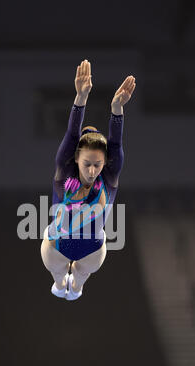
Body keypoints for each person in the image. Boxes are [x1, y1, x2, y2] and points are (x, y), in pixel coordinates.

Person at [41, 59, 136, 300]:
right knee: (59, 278)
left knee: (77, 284)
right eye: (87, 164)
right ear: (75, 159)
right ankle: (61, 283)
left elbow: (115, 144)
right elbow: (72, 135)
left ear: (105, 163)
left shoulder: (110, 177)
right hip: (57, 244)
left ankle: (76, 286)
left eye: (98, 165)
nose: (92, 171)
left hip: (93, 250)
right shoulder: (65, 173)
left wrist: (117, 109)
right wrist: (80, 99)